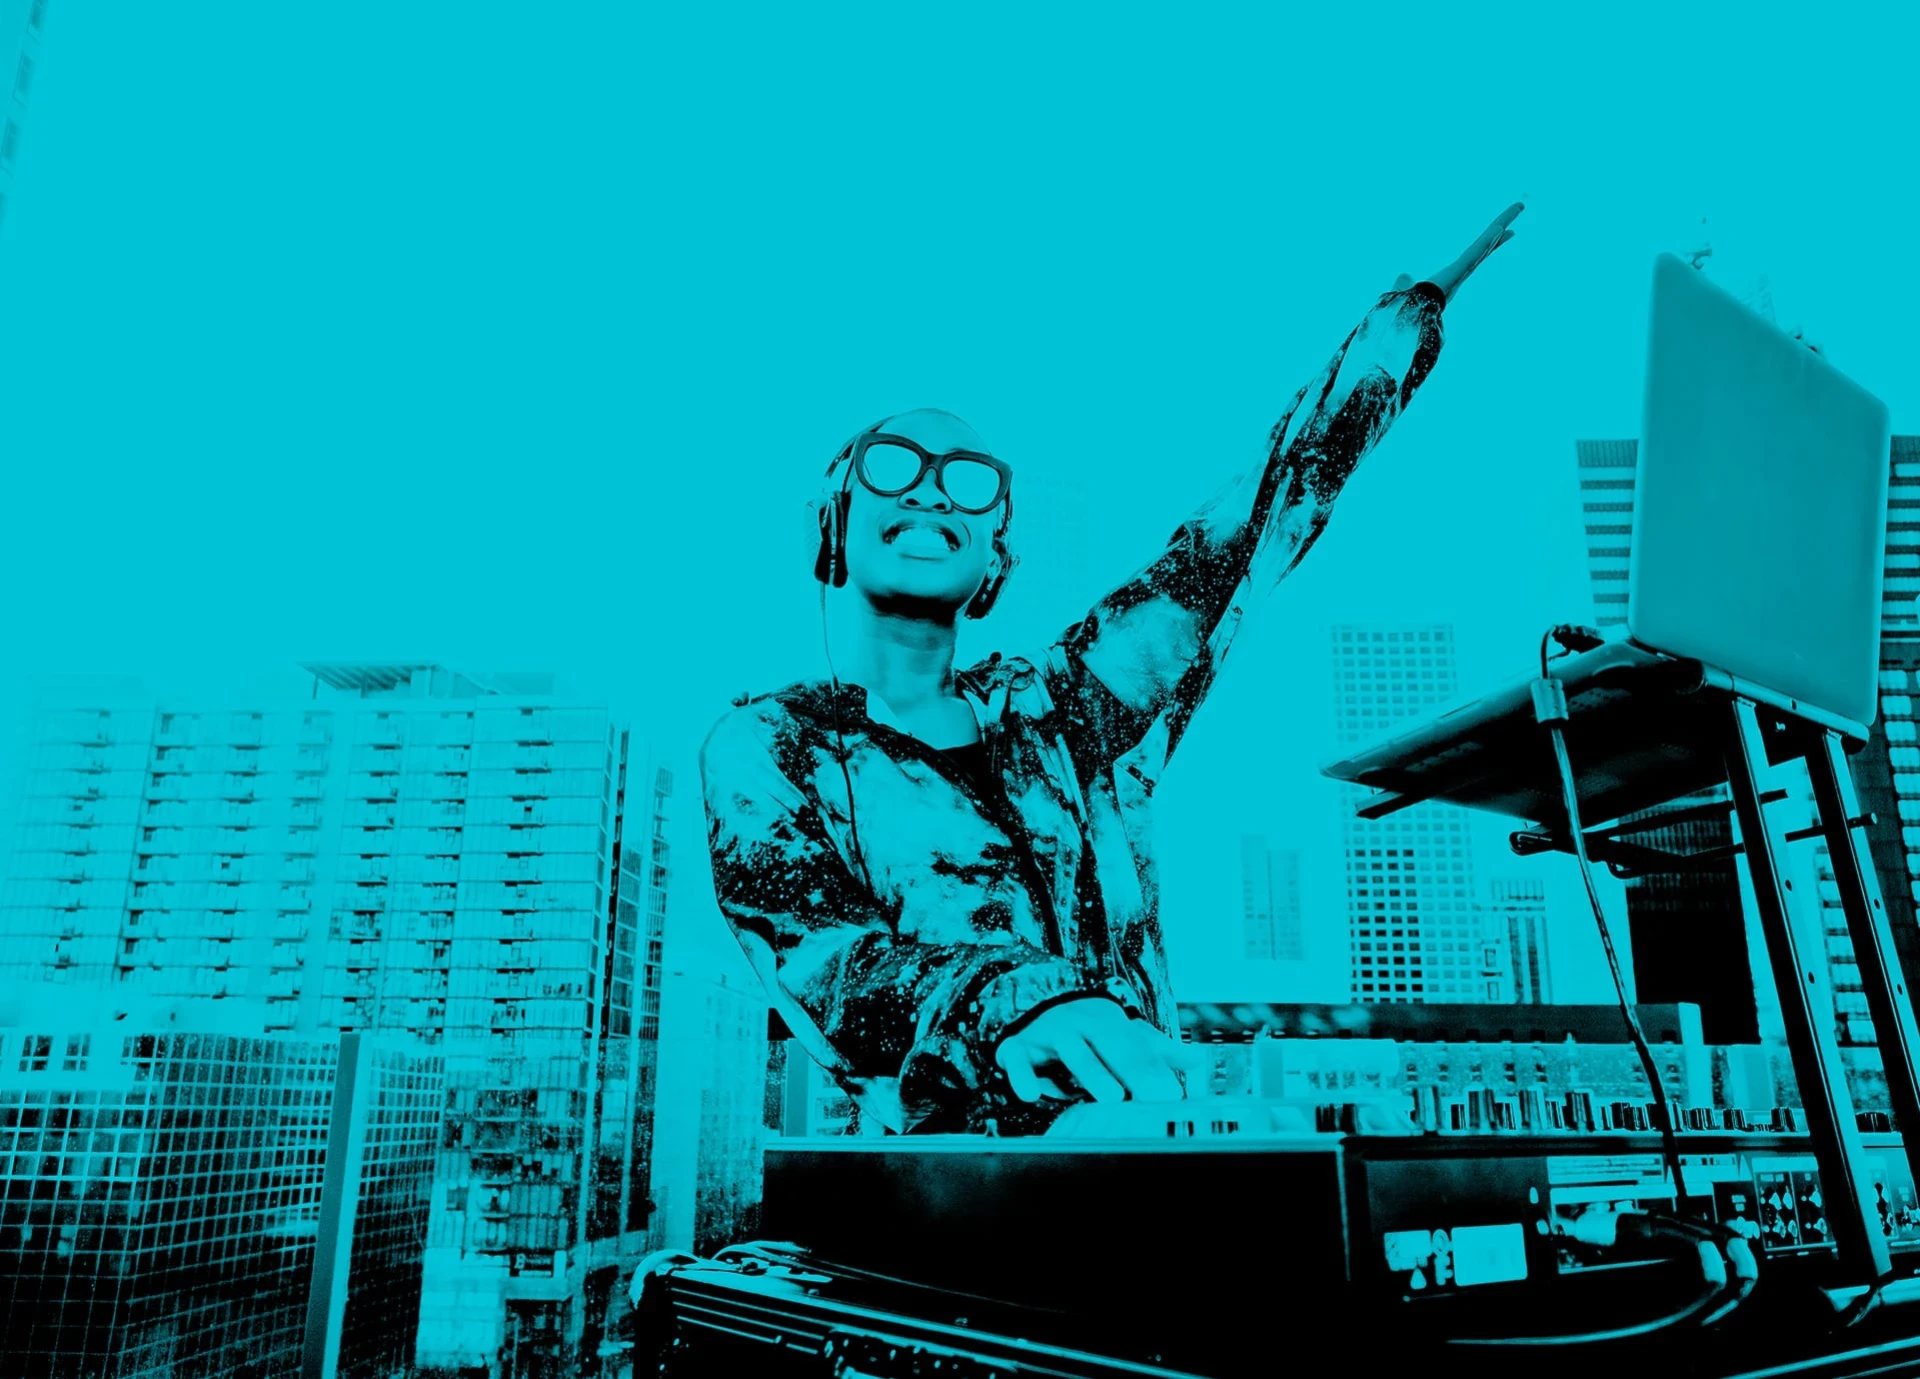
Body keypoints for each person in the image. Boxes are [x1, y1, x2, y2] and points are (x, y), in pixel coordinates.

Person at [700, 204, 1524, 1135]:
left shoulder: (1067, 713)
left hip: (1139, 1156)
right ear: (834, 527)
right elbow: (823, 962)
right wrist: (1019, 1002)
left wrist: (1395, 335)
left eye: (967, 480)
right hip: (942, 1189)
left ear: (995, 560)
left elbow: (1237, 537)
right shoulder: (770, 746)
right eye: (893, 466)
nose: (930, 490)